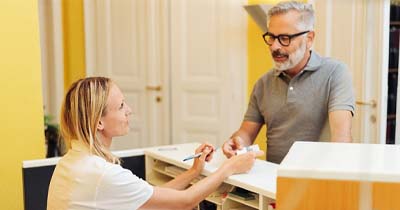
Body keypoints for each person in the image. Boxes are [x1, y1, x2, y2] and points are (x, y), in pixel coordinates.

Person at [47, 77, 263, 210]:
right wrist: (229, 168)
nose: (129, 110)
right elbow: (185, 201)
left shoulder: (72, 162)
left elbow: (150, 198)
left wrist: (194, 172)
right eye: (121, 106)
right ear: (99, 122)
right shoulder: (102, 175)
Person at [222, 1, 355, 164]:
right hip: (272, 181)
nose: (274, 46)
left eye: (284, 38)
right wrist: (237, 142)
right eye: (271, 37)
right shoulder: (263, 83)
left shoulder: (335, 73)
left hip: (317, 182)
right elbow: (246, 133)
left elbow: (341, 139)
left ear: (309, 38)